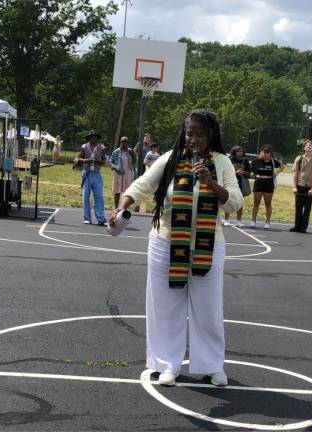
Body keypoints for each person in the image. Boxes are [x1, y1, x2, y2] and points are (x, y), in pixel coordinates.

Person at [108, 109, 244, 387]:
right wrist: (122, 205)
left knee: (207, 309)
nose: (193, 139)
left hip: (208, 245)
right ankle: (166, 363)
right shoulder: (170, 159)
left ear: (211, 137)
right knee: (165, 306)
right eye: (189, 133)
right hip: (166, 242)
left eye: (200, 134)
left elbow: (235, 203)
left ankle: (211, 365)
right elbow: (143, 185)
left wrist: (211, 182)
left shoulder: (222, 162)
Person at [77, 130, 107, 225]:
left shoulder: (101, 148)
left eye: (95, 136)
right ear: (89, 138)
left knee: (99, 197)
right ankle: (87, 218)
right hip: (87, 173)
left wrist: (97, 161)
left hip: (97, 173)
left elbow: (104, 161)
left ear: (97, 138)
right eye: (92, 136)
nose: (94, 138)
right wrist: (87, 160)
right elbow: (79, 159)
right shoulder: (84, 147)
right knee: (86, 196)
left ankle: (101, 218)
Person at [250, 145, 284, 229]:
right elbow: (252, 173)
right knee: (256, 203)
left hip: (269, 183)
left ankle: (267, 222)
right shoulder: (255, 161)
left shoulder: (273, 161)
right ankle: (253, 221)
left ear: (270, 154)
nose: (265, 154)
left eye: (267, 153)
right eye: (263, 152)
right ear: (260, 152)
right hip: (258, 182)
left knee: (268, 204)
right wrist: (252, 174)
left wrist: (276, 173)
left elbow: (282, 166)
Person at [290, 139, 312, 233]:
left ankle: (304, 227)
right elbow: (295, 173)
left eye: (310, 146)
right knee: (298, 207)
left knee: (307, 208)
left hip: (310, 186)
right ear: (304, 147)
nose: (308, 146)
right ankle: (297, 226)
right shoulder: (298, 159)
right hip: (300, 185)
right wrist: (294, 186)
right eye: (307, 145)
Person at [223, 145, 251, 227]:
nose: (240, 153)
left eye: (241, 151)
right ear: (234, 152)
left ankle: (239, 221)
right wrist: (234, 172)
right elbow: (225, 170)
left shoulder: (245, 161)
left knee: (240, 201)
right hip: (230, 182)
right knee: (228, 200)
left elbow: (249, 173)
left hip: (241, 183)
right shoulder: (230, 159)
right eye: (238, 151)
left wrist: (243, 172)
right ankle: (226, 219)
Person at [109, 136, 136, 208]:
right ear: (120, 142)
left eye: (126, 142)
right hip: (119, 173)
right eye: (123, 141)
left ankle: (124, 208)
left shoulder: (130, 151)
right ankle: (116, 207)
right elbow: (110, 162)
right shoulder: (116, 151)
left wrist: (133, 154)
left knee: (127, 192)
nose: (124, 143)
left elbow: (134, 162)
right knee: (117, 191)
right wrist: (115, 167)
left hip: (128, 174)